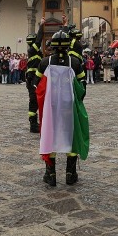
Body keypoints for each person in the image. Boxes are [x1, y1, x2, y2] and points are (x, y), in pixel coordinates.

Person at [35, 30, 89, 186]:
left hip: (50, 107)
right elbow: (82, 87)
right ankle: (70, 174)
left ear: (51, 45)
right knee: (71, 136)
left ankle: (50, 174)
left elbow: (36, 84)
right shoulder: (75, 63)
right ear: (67, 47)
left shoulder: (45, 62)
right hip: (68, 107)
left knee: (49, 136)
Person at [24, 33, 43, 132]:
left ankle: (35, 123)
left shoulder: (35, 52)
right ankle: (33, 124)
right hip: (32, 80)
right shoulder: (32, 50)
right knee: (33, 101)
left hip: (35, 79)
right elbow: (39, 40)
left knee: (35, 101)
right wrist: (42, 24)